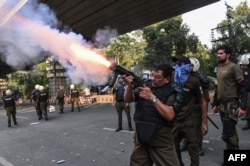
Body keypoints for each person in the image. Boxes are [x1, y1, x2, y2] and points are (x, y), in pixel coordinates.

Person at [123, 64, 180, 166]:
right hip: (141, 138)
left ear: (167, 79)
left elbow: (170, 115)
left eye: (157, 77)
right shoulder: (146, 85)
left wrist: (152, 98)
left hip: (161, 141)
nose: (153, 79)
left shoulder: (173, 91)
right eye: (152, 75)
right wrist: (129, 86)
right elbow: (128, 99)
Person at [171, 56, 208, 166]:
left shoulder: (194, 81)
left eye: (181, 64)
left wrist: (204, 122)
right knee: (173, 146)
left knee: (193, 147)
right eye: (177, 64)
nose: (178, 67)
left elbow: (202, 101)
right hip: (174, 120)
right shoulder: (171, 80)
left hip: (189, 120)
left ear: (188, 66)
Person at [211, 45, 247, 152]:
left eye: (221, 53)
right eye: (218, 53)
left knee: (229, 132)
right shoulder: (219, 68)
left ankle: (234, 157)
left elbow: (243, 87)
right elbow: (218, 88)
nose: (218, 55)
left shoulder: (233, 67)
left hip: (231, 103)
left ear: (228, 55)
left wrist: (243, 107)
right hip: (222, 104)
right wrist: (215, 104)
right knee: (228, 133)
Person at [180, 57, 210, 156]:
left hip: (195, 106)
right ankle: (185, 143)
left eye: (190, 66)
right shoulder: (183, 76)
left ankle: (198, 146)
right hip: (184, 106)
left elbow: (204, 98)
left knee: (197, 127)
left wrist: (205, 117)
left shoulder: (200, 78)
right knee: (184, 126)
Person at [238, 55, 250, 130]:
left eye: (243, 64)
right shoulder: (244, 72)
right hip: (247, 91)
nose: (242, 66)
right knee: (248, 106)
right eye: (242, 65)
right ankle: (248, 122)